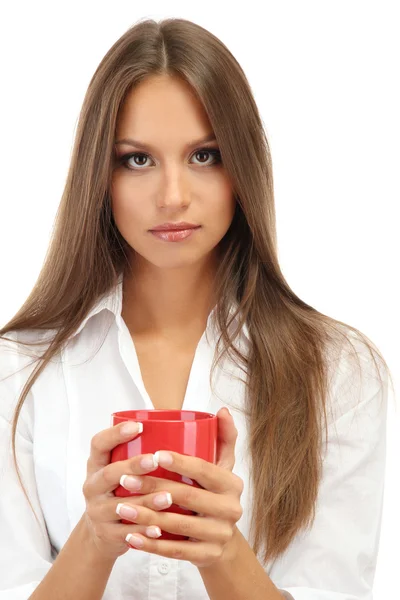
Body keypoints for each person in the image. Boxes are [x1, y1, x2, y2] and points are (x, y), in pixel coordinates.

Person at [0, 17, 392, 600]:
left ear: (243, 169)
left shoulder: (337, 371)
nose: (173, 195)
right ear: (97, 177)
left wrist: (224, 554)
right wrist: (94, 541)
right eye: (137, 160)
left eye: (205, 155)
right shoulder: (19, 371)